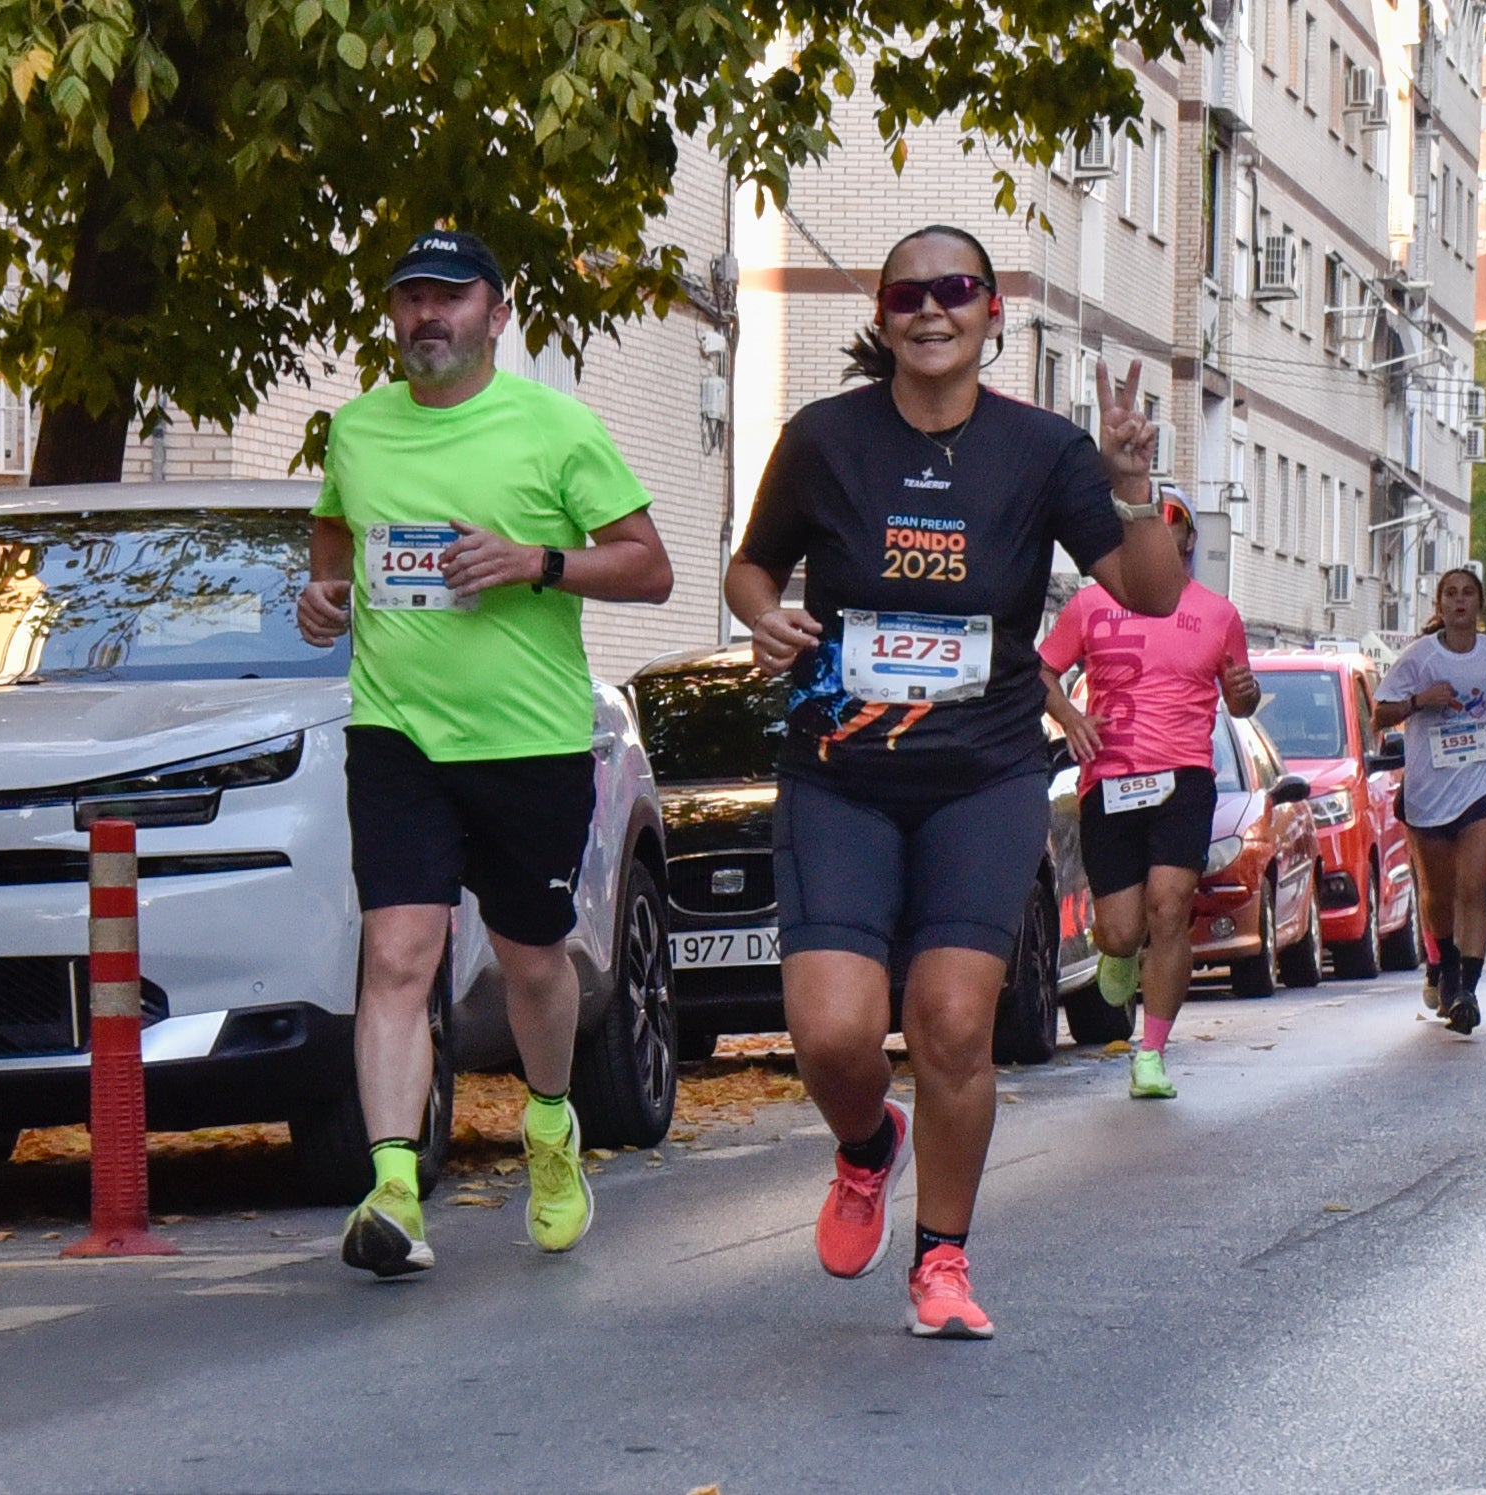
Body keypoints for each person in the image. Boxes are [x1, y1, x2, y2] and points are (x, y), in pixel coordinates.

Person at [725, 224, 1185, 1340]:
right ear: (883, 317)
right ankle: (868, 1143)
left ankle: (941, 1257)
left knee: (951, 1023)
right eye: (909, 293)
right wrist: (763, 616)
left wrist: (1132, 487)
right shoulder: (825, 438)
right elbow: (751, 566)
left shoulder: (1043, 452)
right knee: (834, 1034)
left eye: (958, 289)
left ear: (991, 314)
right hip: (842, 771)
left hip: (982, 777)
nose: (933, 308)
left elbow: (1154, 593)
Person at [297, 231, 676, 1277]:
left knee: (532, 961)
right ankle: (392, 1190)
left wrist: (535, 562)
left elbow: (652, 569)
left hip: (529, 741)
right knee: (397, 955)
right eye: (410, 298)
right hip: (397, 733)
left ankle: (550, 1125)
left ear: (496, 314)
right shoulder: (360, 431)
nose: (428, 316)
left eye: (449, 298)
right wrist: (322, 597)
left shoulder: (557, 429)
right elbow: (335, 545)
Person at [1038, 493, 1261, 1100]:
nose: (1161, 534)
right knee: (1118, 930)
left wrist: (1246, 691)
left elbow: (1240, 702)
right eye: (1148, 525)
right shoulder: (1090, 603)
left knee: (1171, 908)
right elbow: (1040, 672)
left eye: (1174, 526)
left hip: (1185, 776)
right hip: (1109, 777)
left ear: (1187, 542)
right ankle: (1118, 954)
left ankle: (1152, 1053)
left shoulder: (1219, 615)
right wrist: (1069, 718)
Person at [1374, 568, 1486, 1033]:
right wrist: (1420, 701)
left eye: (1468, 594)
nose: (1460, 602)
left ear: (1480, 604)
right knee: (1438, 894)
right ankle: (1441, 963)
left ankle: (1467, 990)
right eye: (1451, 595)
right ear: (1439, 606)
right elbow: (1379, 713)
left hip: (1482, 783)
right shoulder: (1418, 658)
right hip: (1429, 790)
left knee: (1471, 887)